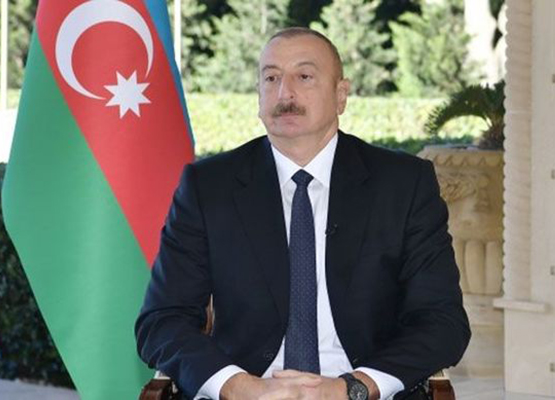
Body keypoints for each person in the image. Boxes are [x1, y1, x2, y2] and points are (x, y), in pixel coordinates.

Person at [135, 27, 470, 400]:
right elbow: (162, 321)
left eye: (304, 76)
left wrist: (354, 387)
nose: (285, 93)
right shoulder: (208, 186)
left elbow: (442, 322)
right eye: (271, 78)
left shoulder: (403, 184)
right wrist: (240, 388)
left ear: (341, 95)